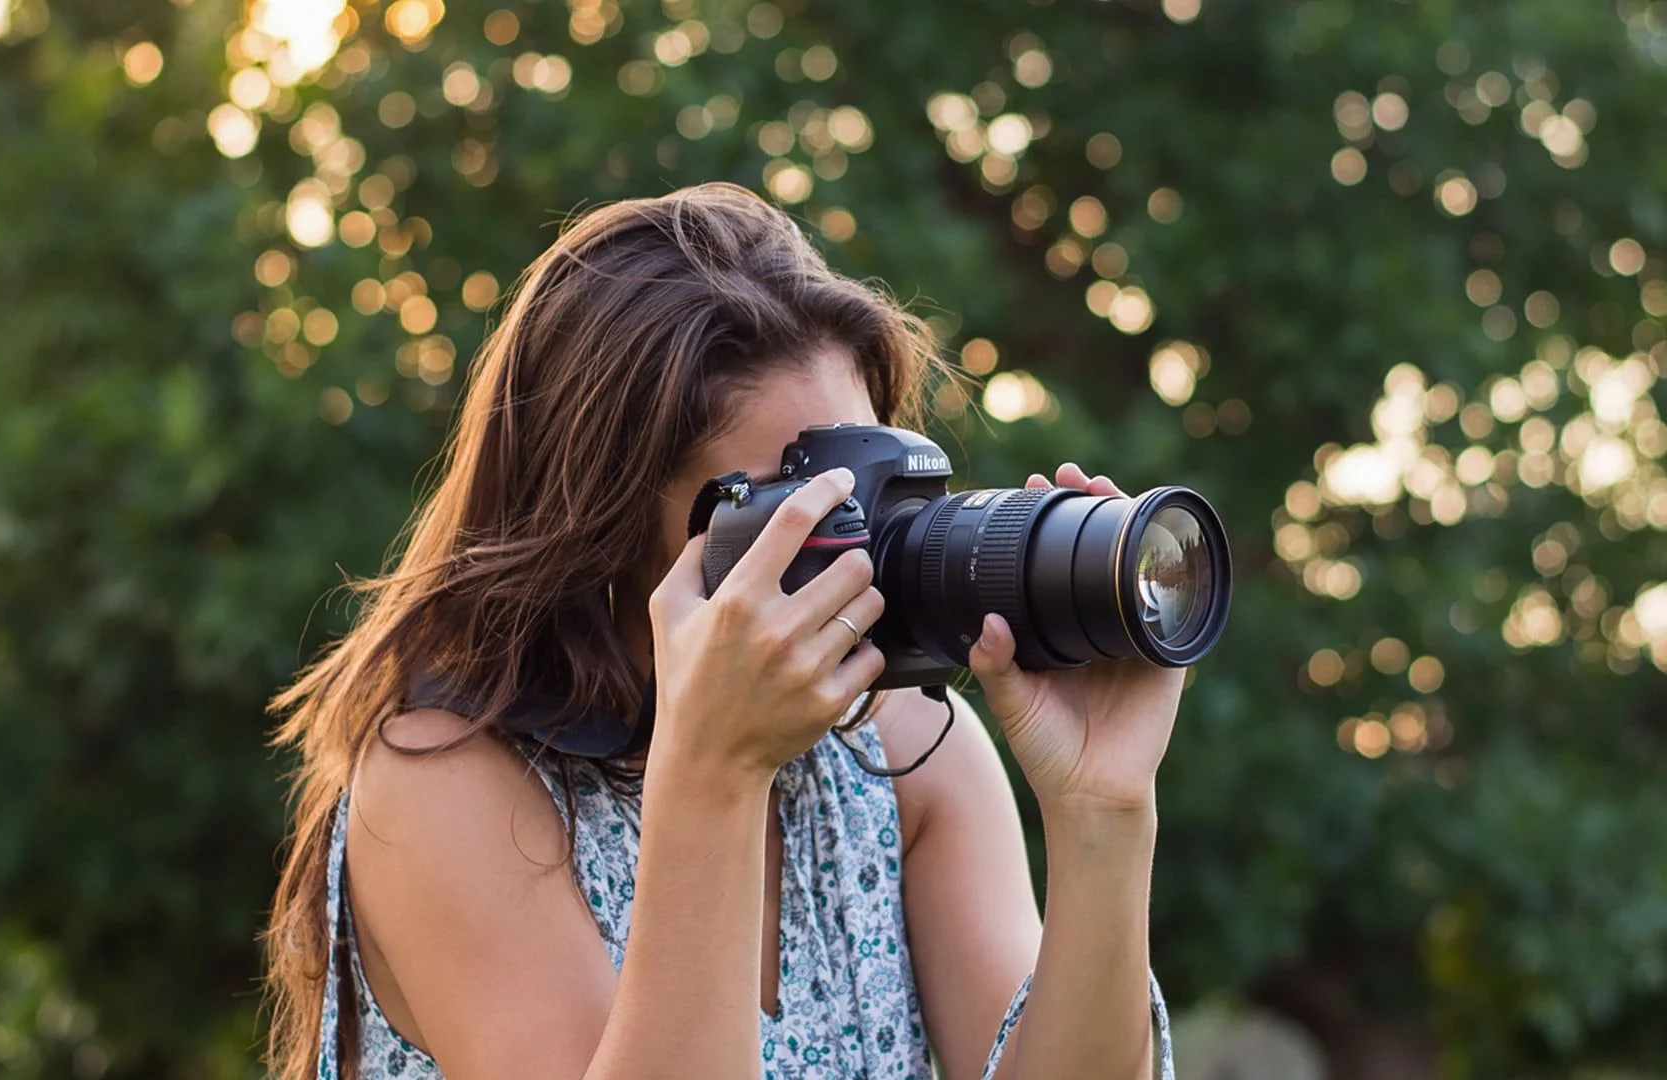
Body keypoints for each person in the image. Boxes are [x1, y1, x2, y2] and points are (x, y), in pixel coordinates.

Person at [262, 182, 1183, 1080]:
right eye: (806, 507)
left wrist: (1102, 812)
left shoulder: (900, 753)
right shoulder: (445, 785)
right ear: (605, 534)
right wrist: (713, 778)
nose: (856, 552)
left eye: (873, 488)